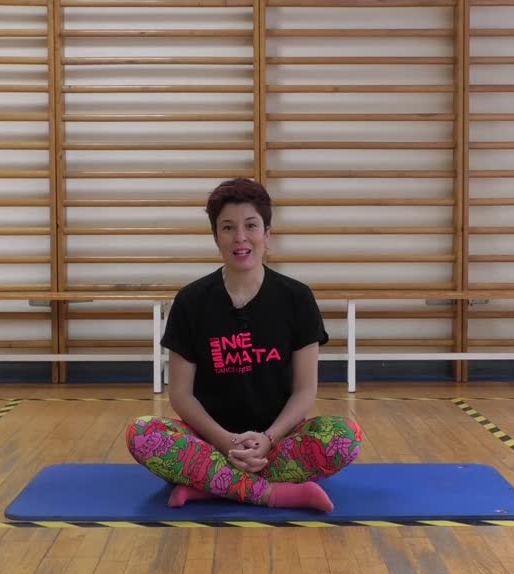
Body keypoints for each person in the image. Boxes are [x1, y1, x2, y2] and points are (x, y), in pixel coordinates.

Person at [124, 178, 362, 512]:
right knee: (141, 433)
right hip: (209, 442)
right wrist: (227, 442)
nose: (240, 237)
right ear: (215, 237)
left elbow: (305, 390)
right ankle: (273, 493)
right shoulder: (190, 301)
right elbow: (181, 395)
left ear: (267, 233)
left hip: (277, 443)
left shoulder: (297, 298)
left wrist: (268, 438)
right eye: (228, 228)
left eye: (251, 226)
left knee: (345, 436)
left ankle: (210, 486)